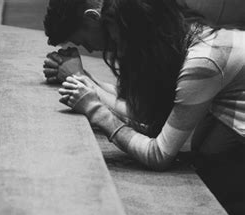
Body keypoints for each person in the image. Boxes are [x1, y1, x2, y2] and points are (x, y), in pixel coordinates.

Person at [43, 0, 245, 172]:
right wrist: (87, 84)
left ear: (142, 35)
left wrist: (94, 108)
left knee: (211, 157)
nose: (120, 53)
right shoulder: (178, 38)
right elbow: (149, 114)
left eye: (120, 41)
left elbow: (159, 154)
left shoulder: (203, 62)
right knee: (206, 150)